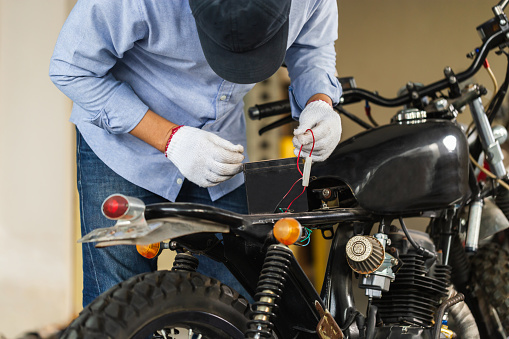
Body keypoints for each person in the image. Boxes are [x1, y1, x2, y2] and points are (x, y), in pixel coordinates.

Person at [49, 0, 342, 307]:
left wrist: (319, 101)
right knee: (117, 304)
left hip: (221, 158)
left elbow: (311, 46)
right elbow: (71, 69)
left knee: (235, 303)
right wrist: (171, 139)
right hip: (124, 152)